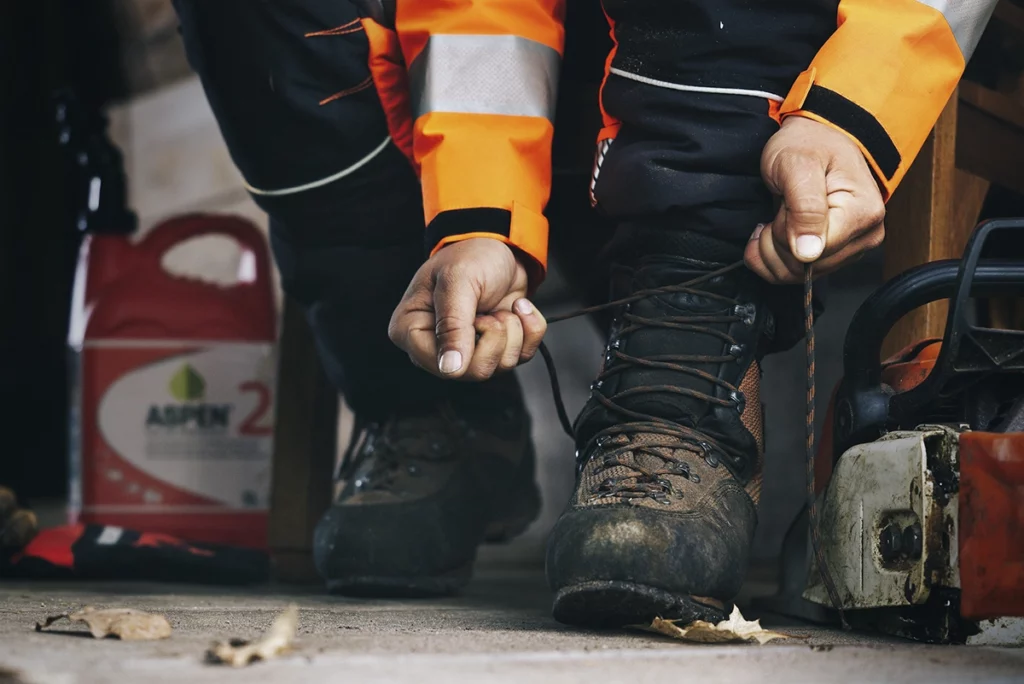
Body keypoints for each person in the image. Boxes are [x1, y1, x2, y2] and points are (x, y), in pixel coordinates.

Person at [173, 0, 996, 626]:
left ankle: (682, 379)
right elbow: (486, 22)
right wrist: (476, 218)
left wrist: (854, 115)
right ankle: (431, 401)